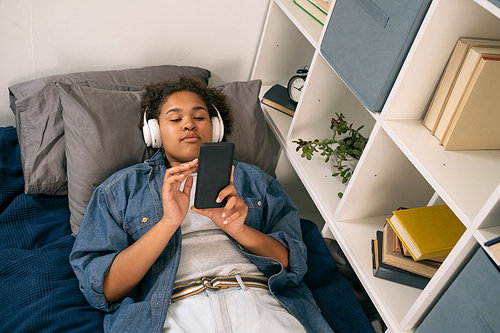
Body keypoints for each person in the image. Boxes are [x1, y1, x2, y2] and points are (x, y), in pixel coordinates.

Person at [70, 75, 334, 333]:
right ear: (154, 131)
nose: (189, 125)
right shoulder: (119, 190)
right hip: (173, 312)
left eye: (199, 117)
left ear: (215, 127)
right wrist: (167, 224)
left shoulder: (254, 180)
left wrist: (238, 229)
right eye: (175, 119)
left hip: (257, 301)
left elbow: (291, 263)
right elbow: (105, 290)